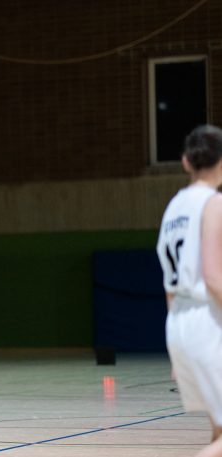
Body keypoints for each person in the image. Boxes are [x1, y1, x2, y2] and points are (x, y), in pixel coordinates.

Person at [157, 124, 222, 457]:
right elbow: (213, 278)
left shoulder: (173, 209)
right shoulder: (213, 204)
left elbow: (169, 284)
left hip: (179, 324)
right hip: (207, 321)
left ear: (185, 162)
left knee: (218, 431)